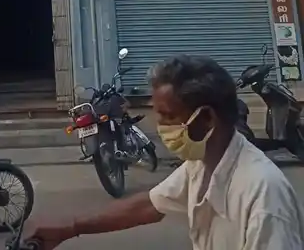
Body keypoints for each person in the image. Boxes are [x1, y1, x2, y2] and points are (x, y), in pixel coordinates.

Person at [26, 54, 304, 249]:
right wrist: (71, 227)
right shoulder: (202, 162)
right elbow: (151, 204)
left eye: (168, 116)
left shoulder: (264, 196)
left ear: (206, 118)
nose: (160, 127)